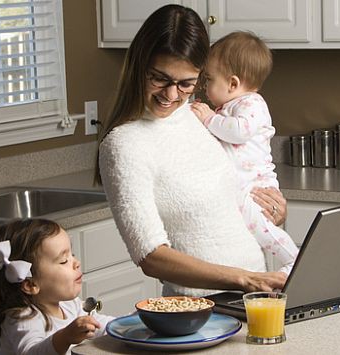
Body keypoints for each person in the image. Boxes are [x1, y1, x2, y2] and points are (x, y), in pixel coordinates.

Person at [96, 4, 289, 298]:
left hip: (254, 298)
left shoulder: (196, 116)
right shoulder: (124, 144)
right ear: (138, 65)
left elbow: (227, 202)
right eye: (159, 78)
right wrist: (243, 279)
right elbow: (150, 256)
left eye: (186, 83)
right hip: (197, 311)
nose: (172, 95)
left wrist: (271, 212)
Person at [190, 31, 298, 275]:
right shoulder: (227, 107)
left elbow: (239, 131)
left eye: (209, 79)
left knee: (262, 229)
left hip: (256, 187)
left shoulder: (252, 103)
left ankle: (294, 261)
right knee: (253, 230)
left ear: (233, 84)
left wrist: (208, 118)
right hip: (240, 189)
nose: (204, 86)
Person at [0, 219, 114, 355]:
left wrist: (128, 323)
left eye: (72, 255)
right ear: (31, 285)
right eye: (64, 261)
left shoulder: (69, 304)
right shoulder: (22, 318)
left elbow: (99, 325)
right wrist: (65, 337)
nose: (76, 263)